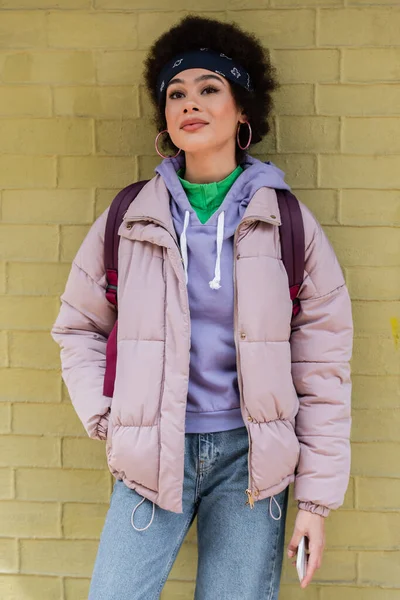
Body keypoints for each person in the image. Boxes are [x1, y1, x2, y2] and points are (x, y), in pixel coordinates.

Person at [51, 14, 353, 600]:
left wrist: (315, 502)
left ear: (243, 111)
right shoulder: (132, 216)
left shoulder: (287, 222)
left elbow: (323, 370)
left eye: (209, 89)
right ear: (164, 116)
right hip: (149, 456)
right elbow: (78, 326)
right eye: (176, 93)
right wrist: (109, 419)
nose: (191, 103)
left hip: (251, 465)